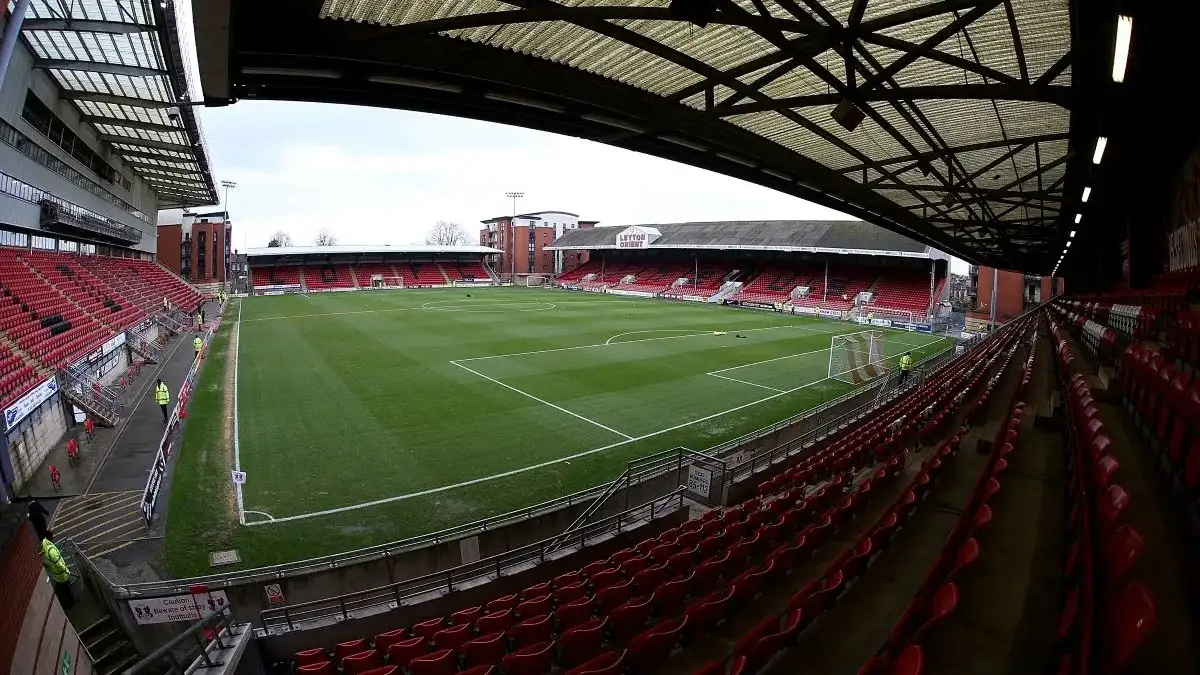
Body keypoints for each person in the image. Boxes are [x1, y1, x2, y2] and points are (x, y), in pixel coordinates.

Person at [40, 536, 74, 609]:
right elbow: (58, 564)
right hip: (62, 575)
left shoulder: (48, 551)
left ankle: (68, 601)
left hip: (58, 576)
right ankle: (71, 601)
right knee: (67, 588)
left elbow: (53, 564)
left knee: (63, 589)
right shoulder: (51, 550)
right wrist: (66, 570)